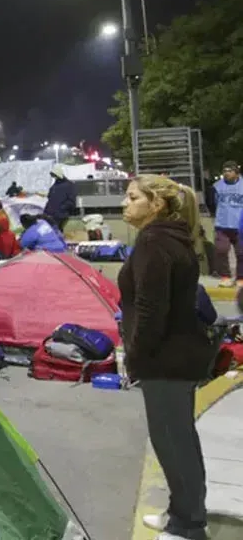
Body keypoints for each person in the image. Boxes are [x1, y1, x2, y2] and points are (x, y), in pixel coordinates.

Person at [121, 176, 216, 540]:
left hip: (165, 358)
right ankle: (183, 510)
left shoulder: (153, 241)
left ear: (156, 204)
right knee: (179, 439)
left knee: (173, 443)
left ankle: (188, 525)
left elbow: (150, 309)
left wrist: (134, 356)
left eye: (132, 198)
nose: (124, 205)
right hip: (178, 354)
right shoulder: (171, 236)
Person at [209, 161, 243, 288]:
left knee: (241, 253)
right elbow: (212, 203)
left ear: (236, 172)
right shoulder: (217, 186)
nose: (227, 173)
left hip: (240, 225)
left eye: (230, 171)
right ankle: (225, 276)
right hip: (222, 225)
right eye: (224, 171)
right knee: (221, 250)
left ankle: (241, 278)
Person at [44, 165, 78, 236]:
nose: (54, 177)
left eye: (55, 175)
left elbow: (71, 201)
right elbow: (50, 196)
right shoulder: (56, 185)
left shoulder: (69, 185)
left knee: (54, 233)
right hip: (51, 213)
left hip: (58, 214)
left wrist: (61, 209)